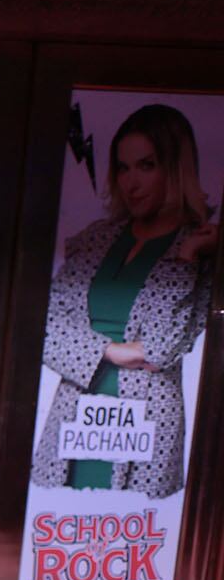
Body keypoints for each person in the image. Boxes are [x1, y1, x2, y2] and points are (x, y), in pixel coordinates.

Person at [33, 103, 217, 498]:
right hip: (74, 415)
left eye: (146, 165)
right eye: (123, 167)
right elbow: (42, 328)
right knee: (56, 525)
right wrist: (111, 352)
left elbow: (161, 347)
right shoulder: (96, 239)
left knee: (128, 531)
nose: (131, 182)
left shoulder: (199, 251)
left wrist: (186, 258)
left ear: (175, 169)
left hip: (147, 426)